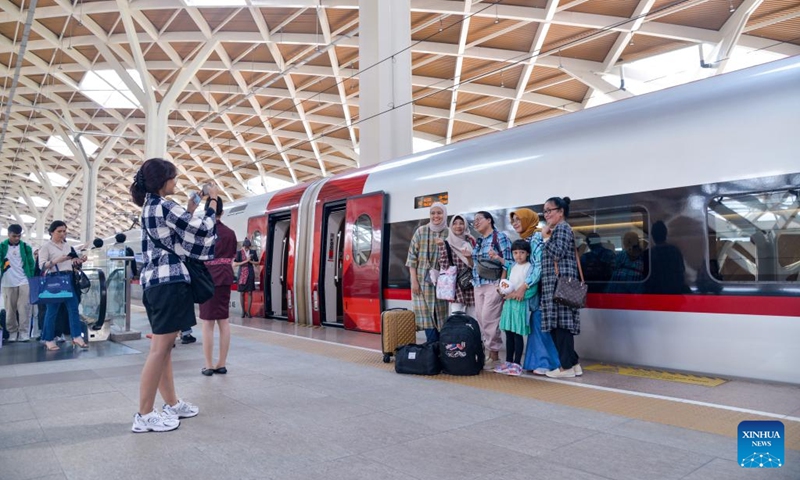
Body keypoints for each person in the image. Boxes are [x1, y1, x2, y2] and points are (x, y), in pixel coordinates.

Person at [130, 158, 217, 433]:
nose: (176, 183)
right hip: (168, 283)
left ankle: (171, 403)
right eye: (174, 177)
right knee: (159, 349)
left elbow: (177, 231)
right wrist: (211, 203)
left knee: (165, 348)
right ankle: (144, 414)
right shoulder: (164, 205)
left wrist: (191, 209)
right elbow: (200, 230)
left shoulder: (150, 206)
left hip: (157, 283)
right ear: (163, 180)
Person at [508, 209, 560, 375]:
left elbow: (539, 266)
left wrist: (524, 286)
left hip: (541, 289)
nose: (515, 223)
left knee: (539, 325)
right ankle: (535, 361)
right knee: (535, 325)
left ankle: (546, 362)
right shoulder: (525, 239)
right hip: (532, 290)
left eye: (518, 219)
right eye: (513, 220)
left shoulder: (536, 238)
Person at [538, 197, 583, 378]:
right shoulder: (560, 229)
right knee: (560, 326)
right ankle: (574, 364)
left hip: (559, 286)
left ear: (561, 211)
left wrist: (546, 238)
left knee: (560, 327)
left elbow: (557, 253)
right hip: (558, 285)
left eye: (550, 210)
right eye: (545, 211)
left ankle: (566, 368)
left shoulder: (562, 228)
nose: (546, 214)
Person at [199, 196, 237, 376]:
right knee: (224, 320)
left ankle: (208, 365)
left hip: (207, 278)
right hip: (224, 278)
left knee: (207, 323)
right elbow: (231, 259)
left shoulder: (204, 232)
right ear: (222, 211)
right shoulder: (230, 233)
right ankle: (221, 363)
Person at [37, 221, 89, 351]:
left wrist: (79, 260)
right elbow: (42, 266)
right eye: (59, 231)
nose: (62, 234)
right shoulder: (46, 247)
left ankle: (76, 336)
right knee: (52, 310)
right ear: (51, 232)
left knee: (73, 308)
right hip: (54, 279)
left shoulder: (68, 246)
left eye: (64, 231)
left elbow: (72, 262)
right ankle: (48, 339)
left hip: (69, 279)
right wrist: (57, 260)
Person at [473, 211, 513, 368]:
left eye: (479, 219)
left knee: (489, 318)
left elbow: (509, 261)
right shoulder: (479, 241)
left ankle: (494, 354)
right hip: (478, 283)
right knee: (481, 319)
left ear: (489, 220)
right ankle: (490, 353)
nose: (475, 223)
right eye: (474, 221)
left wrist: (501, 285)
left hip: (494, 283)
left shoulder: (500, 237)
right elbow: (475, 264)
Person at [406, 202, 449, 342]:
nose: (436, 216)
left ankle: (441, 349)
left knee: (442, 316)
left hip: (443, 281)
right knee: (426, 316)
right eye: (433, 213)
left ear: (444, 214)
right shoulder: (421, 231)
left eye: (439, 212)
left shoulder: (449, 232)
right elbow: (412, 257)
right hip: (421, 282)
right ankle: (433, 348)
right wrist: (414, 281)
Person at [495, 240, 534, 376]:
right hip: (509, 304)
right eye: (515, 253)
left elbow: (532, 287)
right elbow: (506, 284)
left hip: (520, 304)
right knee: (509, 333)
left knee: (517, 334)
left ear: (528, 253)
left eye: (522, 252)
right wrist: (501, 291)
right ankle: (508, 362)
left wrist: (520, 295)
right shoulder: (512, 267)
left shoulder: (530, 267)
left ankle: (517, 364)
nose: (518, 255)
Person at [1, 224, 36, 342]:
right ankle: (12, 332)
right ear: (8, 235)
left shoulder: (26, 247)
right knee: (10, 309)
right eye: (14, 236)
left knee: (24, 308)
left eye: (19, 236)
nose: (17, 238)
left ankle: (24, 332)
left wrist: (31, 279)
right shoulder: (2, 247)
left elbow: (31, 264)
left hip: (24, 280)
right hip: (8, 282)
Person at [435, 214, 476, 316]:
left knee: (473, 319)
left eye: (461, 223)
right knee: (457, 318)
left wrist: (469, 258)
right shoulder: (446, 243)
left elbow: (475, 264)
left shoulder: (470, 241)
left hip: (471, 284)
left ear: (465, 225)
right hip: (456, 286)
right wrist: (441, 247)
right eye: (455, 223)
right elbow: (444, 266)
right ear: (451, 226)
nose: (458, 226)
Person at [644, 220, 688, 294]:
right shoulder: (675, 251)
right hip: (674, 292)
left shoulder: (648, 254)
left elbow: (645, 277)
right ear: (665, 233)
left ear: (652, 235)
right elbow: (681, 271)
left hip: (654, 293)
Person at [234, 238, 258, 318]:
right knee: (242, 293)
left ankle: (248, 311)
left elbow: (257, 262)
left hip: (250, 272)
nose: (247, 248)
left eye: (248, 247)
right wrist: (245, 261)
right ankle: (243, 311)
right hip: (242, 274)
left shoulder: (253, 252)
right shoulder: (239, 253)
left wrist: (250, 261)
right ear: (243, 246)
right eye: (246, 247)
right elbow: (235, 263)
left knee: (250, 292)